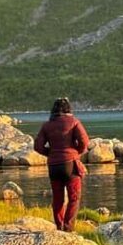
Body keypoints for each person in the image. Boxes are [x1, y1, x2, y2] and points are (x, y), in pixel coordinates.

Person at [33, 98, 89, 232]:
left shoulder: (46, 125)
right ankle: (68, 228)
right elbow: (85, 142)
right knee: (74, 198)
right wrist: (76, 152)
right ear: (68, 109)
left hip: (54, 166)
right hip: (71, 164)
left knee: (57, 199)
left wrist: (51, 154)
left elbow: (38, 146)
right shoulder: (74, 122)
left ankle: (59, 226)